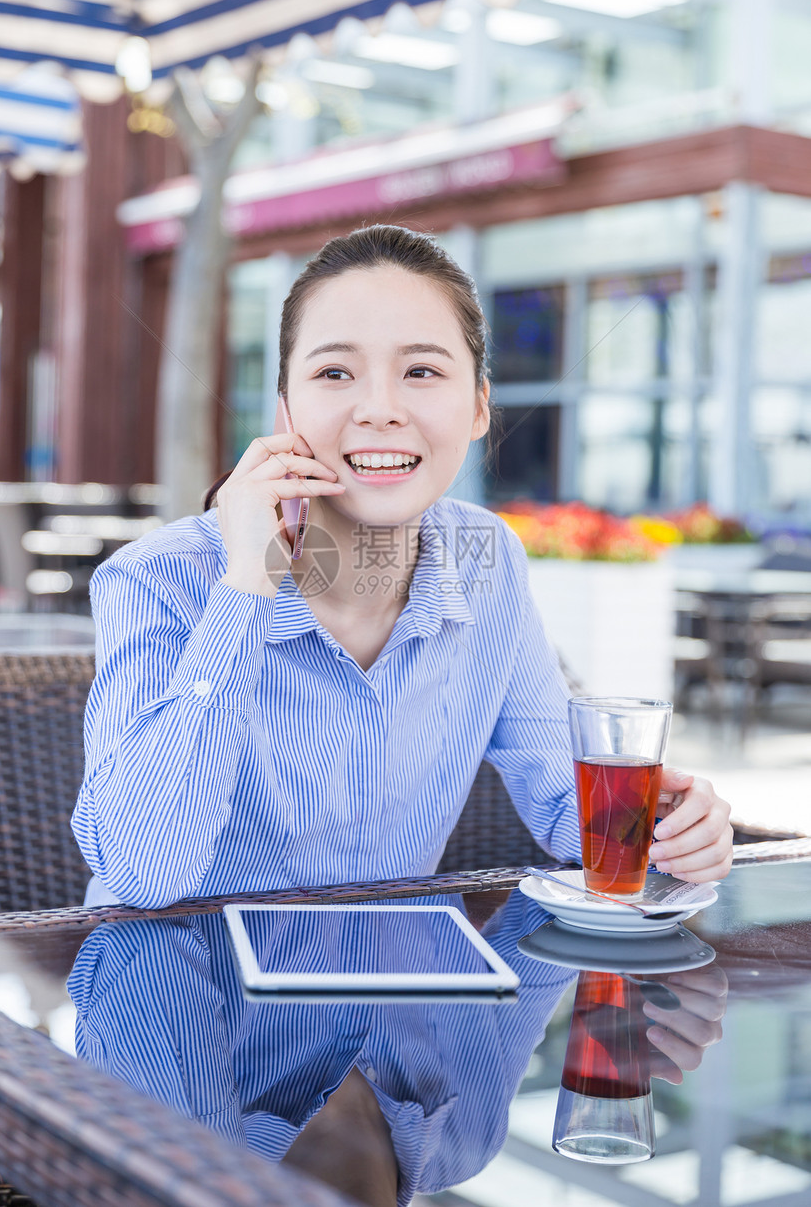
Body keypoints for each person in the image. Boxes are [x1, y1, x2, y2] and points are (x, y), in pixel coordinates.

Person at [72, 224, 732, 909]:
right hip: (183, 993)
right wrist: (246, 585)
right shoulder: (156, 577)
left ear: (479, 406)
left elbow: (567, 805)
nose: (381, 410)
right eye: (334, 373)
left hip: (396, 993)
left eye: (421, 371)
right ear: (285, 409)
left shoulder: (486, 561)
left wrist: (664, 828)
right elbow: (142, 875)